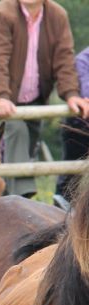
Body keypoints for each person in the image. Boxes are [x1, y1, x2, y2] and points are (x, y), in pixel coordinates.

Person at [0, 0, 89, 197]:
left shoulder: (57, 16)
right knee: (17, 129)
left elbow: (64, 59)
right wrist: (0, 96)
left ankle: (6, 201)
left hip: (33, 96)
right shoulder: (1, 13)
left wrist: (71, 94)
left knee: (25, 149)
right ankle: (22, 198)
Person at [54, 46, 89, 208]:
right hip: (81, 124)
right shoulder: (84, 59)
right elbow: (85, 91)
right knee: (72, 171)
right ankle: (64, 201)